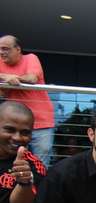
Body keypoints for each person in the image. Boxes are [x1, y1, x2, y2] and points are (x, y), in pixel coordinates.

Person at [0, 35, 55, 167]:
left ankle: (39, 187)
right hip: (13, 125)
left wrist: (14, 79)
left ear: (18, 49)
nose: (1, 52)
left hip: (41, 121)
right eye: (0, 49)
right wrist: (6, 77)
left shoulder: (30, 58)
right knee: (10, 161)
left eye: (5, 49)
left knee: (41, 162)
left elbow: (32, 79)